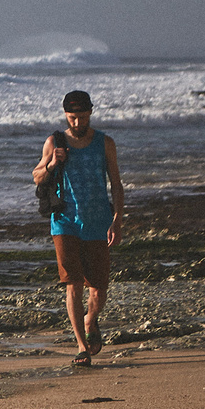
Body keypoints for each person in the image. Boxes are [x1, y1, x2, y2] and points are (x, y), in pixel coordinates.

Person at [34, 89, 123, 365]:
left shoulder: (104, 143)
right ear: (65, 115)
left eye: (82, 117)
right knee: (73, 284)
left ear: (90, 113)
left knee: (98, 287)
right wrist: (51, 163)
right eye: (72, 117)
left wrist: (117, 220)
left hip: (98, 221)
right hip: (64, 222)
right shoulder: (55, 142)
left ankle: (91, 319)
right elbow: (37, 176)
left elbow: (116, 184)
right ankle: (81, 347)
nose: (77, 122)